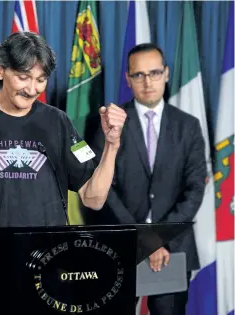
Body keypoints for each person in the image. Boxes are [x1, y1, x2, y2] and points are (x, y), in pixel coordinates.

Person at [0, 32, 126, 230]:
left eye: (41, 80)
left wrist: (112, 145)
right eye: (23, 77)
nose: (32, 90)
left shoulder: (58, 122)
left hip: (47, 256)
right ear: (0, 70)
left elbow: (94, 199)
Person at [87, 43, 207, 315]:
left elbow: (195, 188)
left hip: (173, 249)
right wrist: (144, 239)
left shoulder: (188, 125)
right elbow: (103, 189)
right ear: (128, 79)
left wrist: (162, 239)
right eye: (138, 75)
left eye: (154, 73)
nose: (147, 81)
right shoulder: (108, 125)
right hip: (122, 248)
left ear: (166, 73)